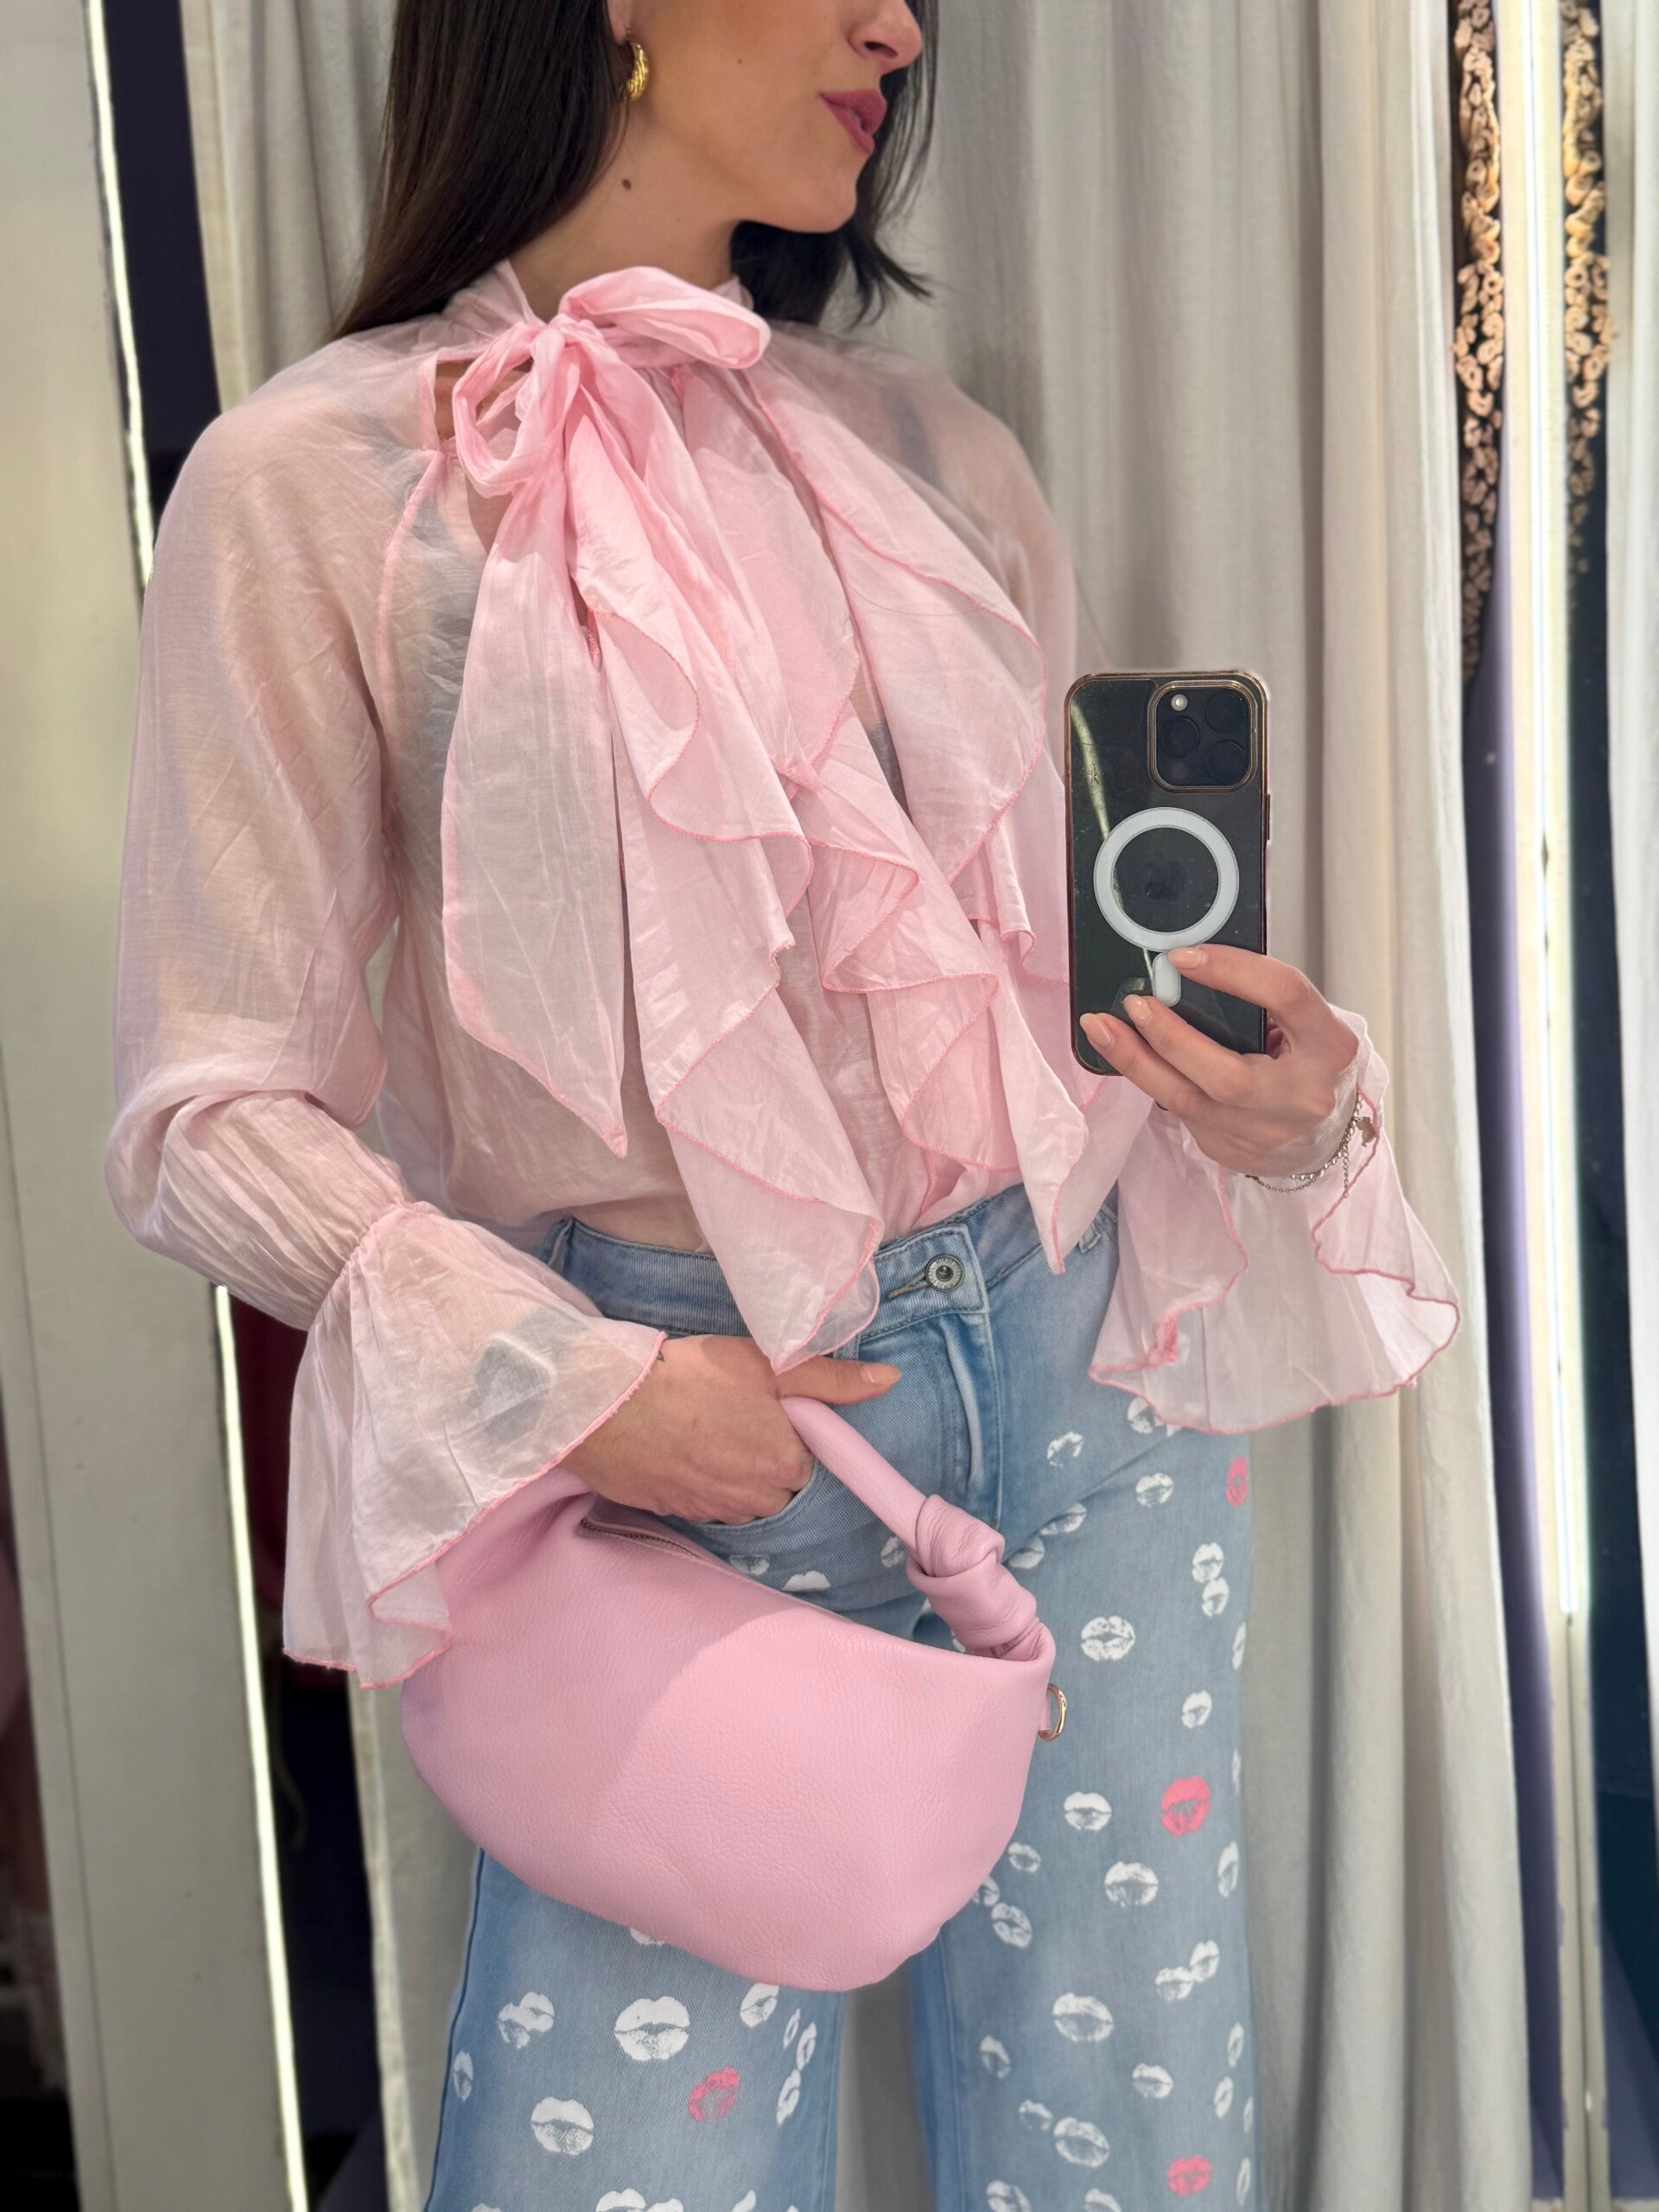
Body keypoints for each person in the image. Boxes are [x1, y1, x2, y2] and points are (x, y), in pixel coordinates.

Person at [104, 3, 1460, 2206]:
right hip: (693, 1440)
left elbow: (1049, 990)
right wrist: (583, 1387)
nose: (899, 27)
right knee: (631, 2162)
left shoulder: (940, 455)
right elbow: (204, 1102)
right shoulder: (320, 481)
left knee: (1135, 2127)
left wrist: (1276, 1105)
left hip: (1087, 1378)